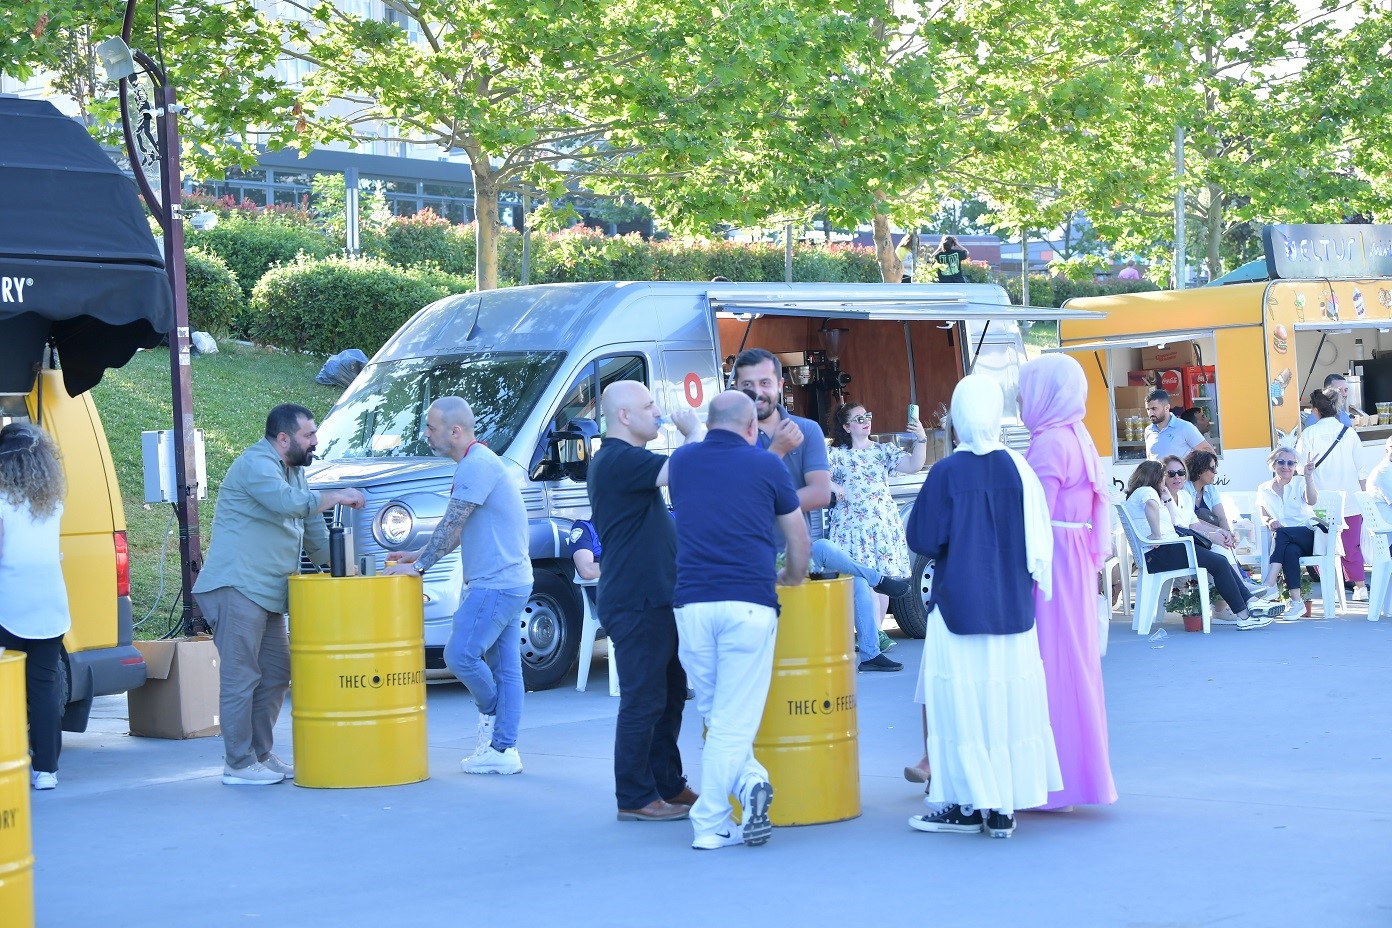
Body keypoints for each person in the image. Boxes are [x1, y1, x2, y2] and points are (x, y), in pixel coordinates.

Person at [905, 375, 1060, 839]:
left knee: (962, 705)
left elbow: (923, 539)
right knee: (1007, 703)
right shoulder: (1020, 469)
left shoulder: (948, 472)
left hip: (958, 609)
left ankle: (970, 804)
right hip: (1013, 610)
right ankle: (1004, 807)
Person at [194, 404, 366, 786]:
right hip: (236, 587)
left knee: (275, 673)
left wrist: (349, 573)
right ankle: (237, 764)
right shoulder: (255, 464)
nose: (316, 442)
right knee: (241, 677)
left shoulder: (297, 475)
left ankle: (259, 754)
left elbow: (316, 536)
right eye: (309, 435)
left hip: (268, 592)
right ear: (284, 438)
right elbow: (288, 505)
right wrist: (336, 496)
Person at [668, 390, 810, 851]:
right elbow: (797, 536)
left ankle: (749, 786)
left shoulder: (684, 462)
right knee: (732, 720)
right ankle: (709, 822)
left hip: (691, 605)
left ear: (710, 424)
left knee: (716, 713)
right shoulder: (767, 465)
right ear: (753, 428)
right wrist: (790, 576)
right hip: (748, 602)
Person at [732, 349, 907, 672]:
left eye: (765, 382)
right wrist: (776, 453)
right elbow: (741, 503)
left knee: (845, 568)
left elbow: (819, 492)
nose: (757, 391)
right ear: (736, 389)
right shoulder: (729, 437)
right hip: (753, 555)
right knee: (832, 551)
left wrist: (771, 497)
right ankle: (878, 581)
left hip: (798, 550)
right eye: (747, 384)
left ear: (780, 383)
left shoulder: (807, 430)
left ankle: (868, 652)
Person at [385, 396, 532, 775]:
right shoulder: (480, 462)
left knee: (459, 656)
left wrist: (418, 567)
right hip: (511, 581)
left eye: (431, 427)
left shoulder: (475, 466)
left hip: (495, 585)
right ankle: (503, 750)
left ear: (455, 430)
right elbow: (458, 530)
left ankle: (496, 722)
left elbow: (452, 523)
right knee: (505, 669)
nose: (426, 434)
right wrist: (417, 553)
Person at [587, 380, 703, 823]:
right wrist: (692, 432)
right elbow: (681, 470)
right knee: (644, 698)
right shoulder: (617, 460)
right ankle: (634, 796)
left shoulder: (623, 459)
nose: (657, 412)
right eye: (649, 405)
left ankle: (667, 785)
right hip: (636, 599)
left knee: (669, 694)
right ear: (624, 416)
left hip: (654, 597)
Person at [1018, 355, 1117, 811]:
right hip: (1076, 558)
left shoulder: (1050, 442)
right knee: (1075, 662)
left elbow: (1033, 516)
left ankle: (1051, 781)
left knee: (1049, 661)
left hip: (1052, 560)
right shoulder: (1078, 434)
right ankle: (1079, 776)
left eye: (1026, 389)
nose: (1021, 398)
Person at [826, 402, 926, 662]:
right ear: (846, 426)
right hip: (851, 526)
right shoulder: (837, 454)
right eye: (858, 419)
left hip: (881, 525)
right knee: (862, 581)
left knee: (881, 582)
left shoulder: (883, 451)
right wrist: (835, 486)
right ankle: (871, 636)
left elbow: (914, 465)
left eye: (867, 416)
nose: (865, 421)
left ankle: (875, 633)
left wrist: (921, 438)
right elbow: (818, 475)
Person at [0, 424, 70, 790]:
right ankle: (46, 770)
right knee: (44, 687)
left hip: (10, 607)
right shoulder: (53, 502)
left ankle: (8, 760)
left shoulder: (0, 502)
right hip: (50, 607)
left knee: (6, 688)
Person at [1123, 460, 1273, 629]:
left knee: (1219, 560)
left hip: (1168, 549)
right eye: (1165, 476)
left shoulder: (1143, 493)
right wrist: (1156, 535)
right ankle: (1245, 613)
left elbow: (1173, 522)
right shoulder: (1147, 491)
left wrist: (1166, 497)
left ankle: (1249, 604)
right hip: (1163, 551)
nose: (1166, 480)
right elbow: (1151, 505)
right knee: (1219, 562)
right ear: (1155, 477)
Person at [1163, 454, 1281, 618]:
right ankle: (1240, 609)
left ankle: (1242, 604)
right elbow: (1178, 528)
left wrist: (1224, 532)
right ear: (1200, 469)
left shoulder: (1186, 495)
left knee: (1221, 553)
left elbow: (1203, 521)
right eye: (1171, 474)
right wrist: (1213, 535)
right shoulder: (1169, 495)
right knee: (1219, 559)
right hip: (1179, 548)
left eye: (1181, 472)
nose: (1178, 477)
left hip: (1192, 544)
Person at [1299, 387, 1368, 602]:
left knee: (1322, 546)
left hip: (1321, 500)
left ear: (1315, 410)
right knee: (1351, 546)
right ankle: (1359, 587)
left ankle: (1333, 586)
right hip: (1351, 499)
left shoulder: (1309, 433)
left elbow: (1302, 467)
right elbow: (1361, 469)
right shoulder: (1349, 433)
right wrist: (1363, 496)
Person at [1257, 445, 1321, 618]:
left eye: (1291, 463)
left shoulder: (1300, 482)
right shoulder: (1263, 488)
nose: (1286, 466)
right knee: (1289, 550)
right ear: (1273, 464)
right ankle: (1297, 602)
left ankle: (1269, 584)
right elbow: (1263, 514)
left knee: (1282, 533)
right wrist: (1269, 521)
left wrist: (1308, 477)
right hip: (1288, 541)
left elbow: (1312, 501)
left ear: (1295, 466)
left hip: (1310, 535)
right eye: (1281, 462)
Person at [1144, 389, 1214, 460]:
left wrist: (1193, 469)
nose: (1150, 413)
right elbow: (1150, 460)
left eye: (1154, 409)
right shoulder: (1148, 430)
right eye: (1148, 409)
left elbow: (1209, 453)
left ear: (1167, 408)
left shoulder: (1185, 427)